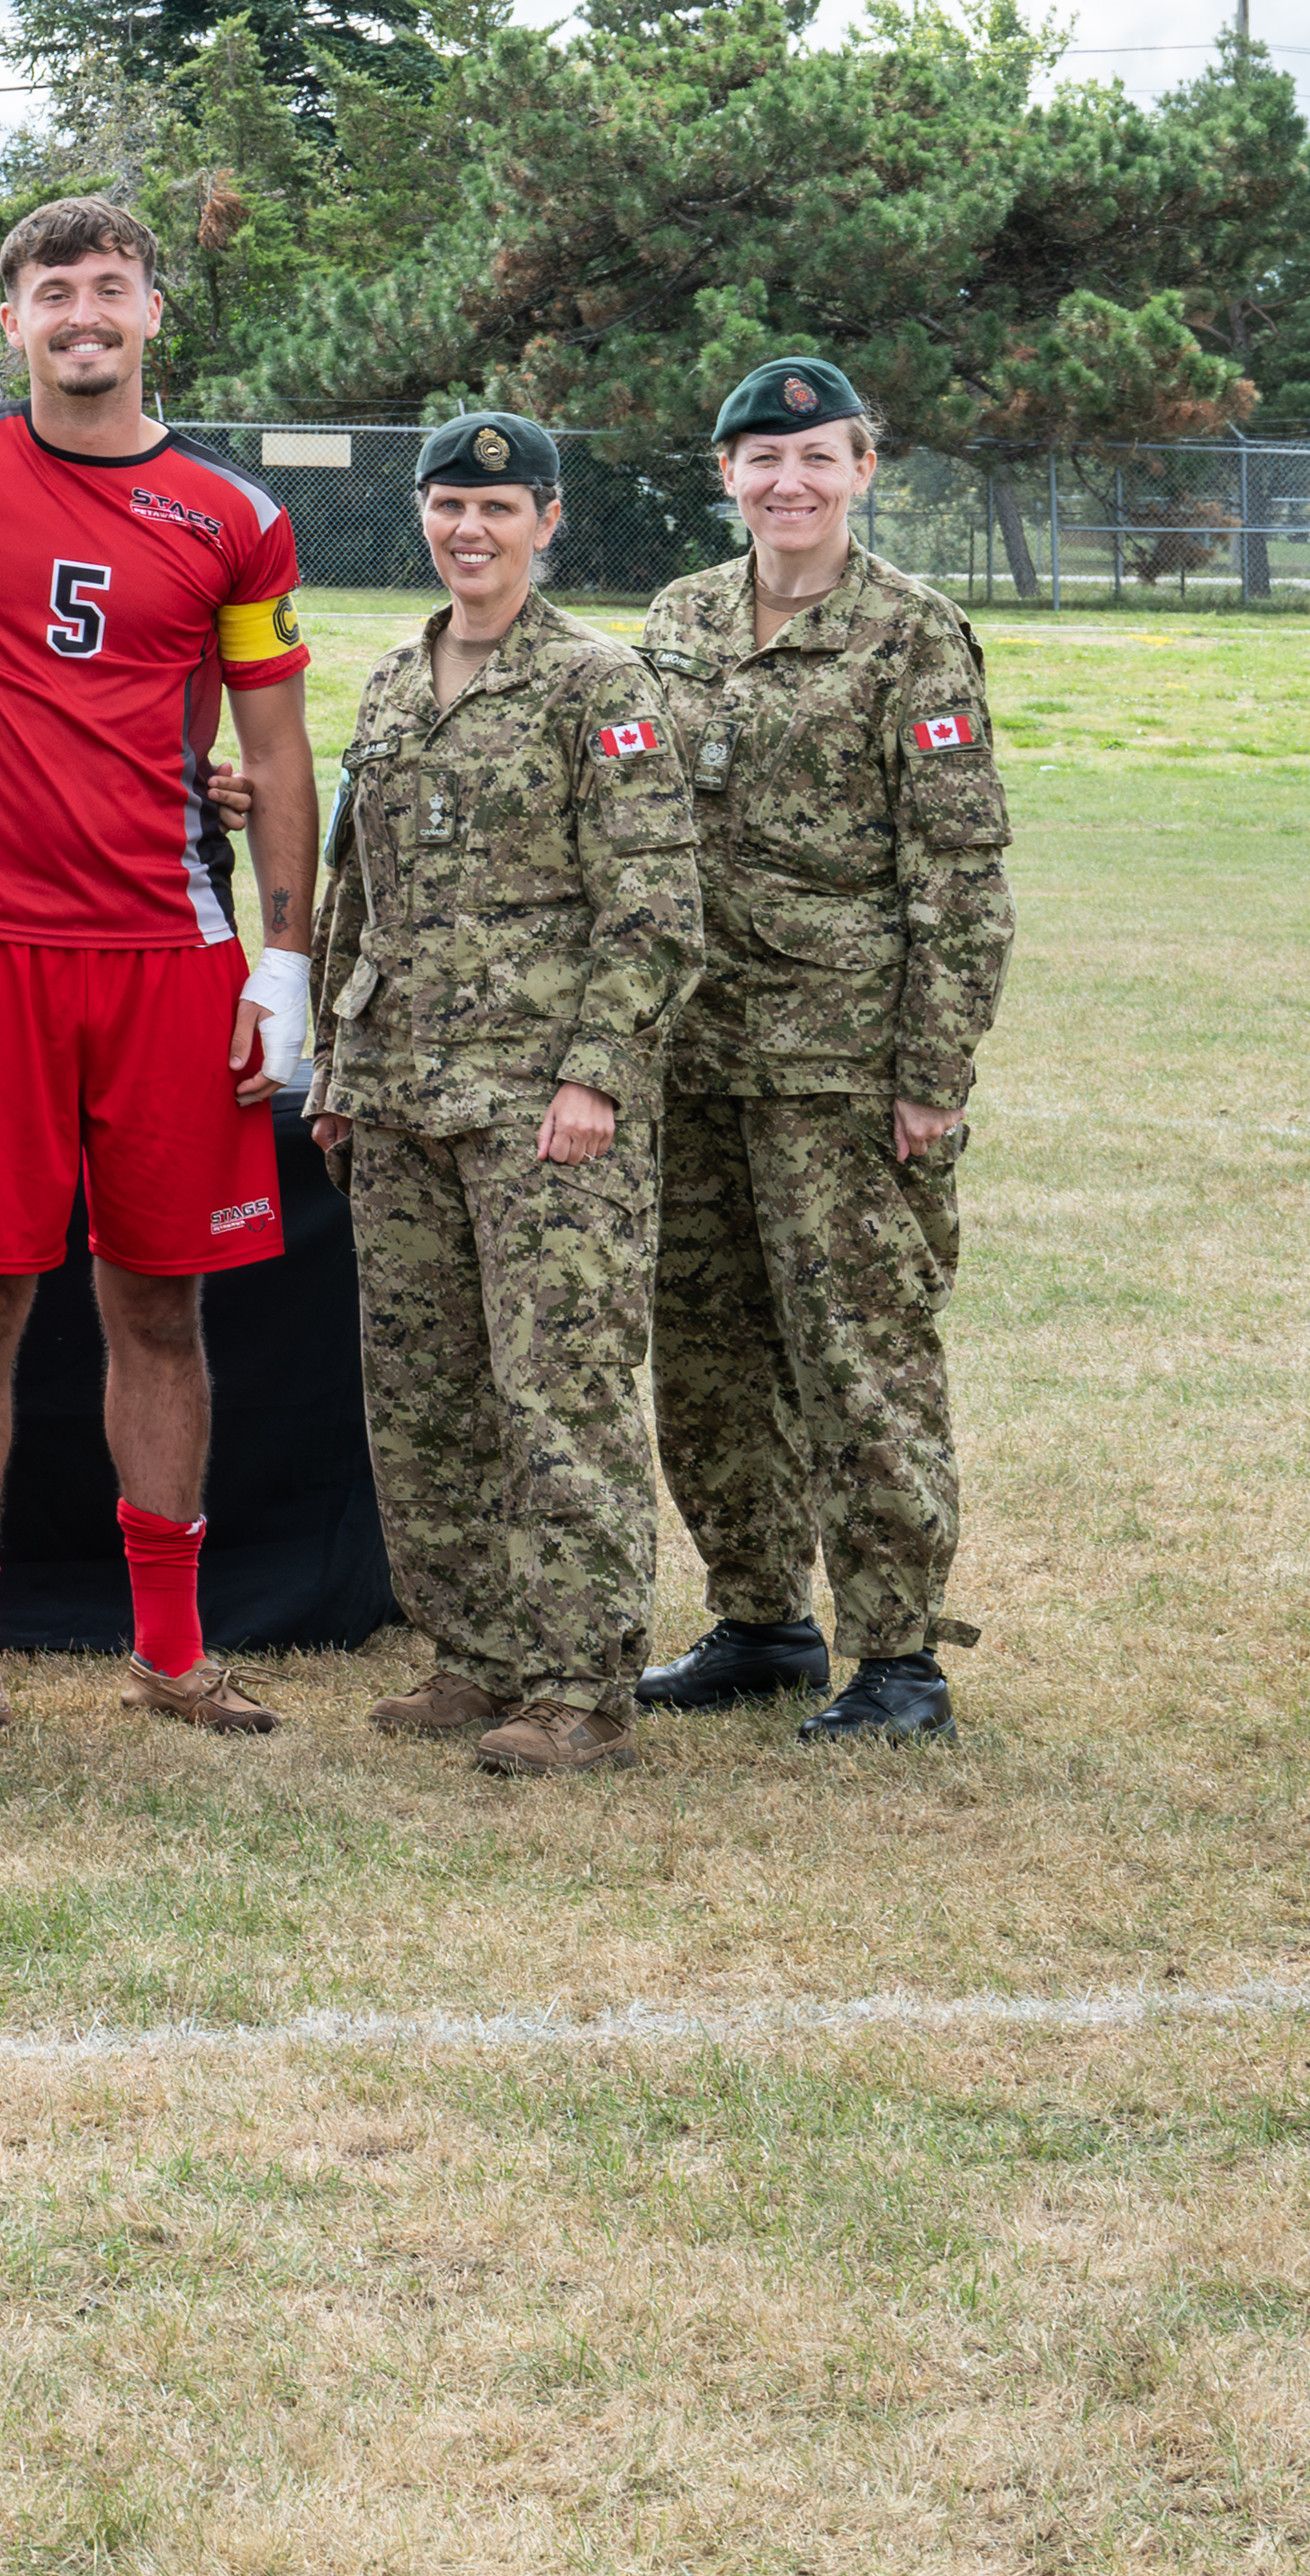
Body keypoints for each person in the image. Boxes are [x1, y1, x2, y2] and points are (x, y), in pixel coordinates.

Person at [0, 196, 319, 1735]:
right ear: (11, 321)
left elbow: (279, 739)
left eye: (109, 285)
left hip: (170, 950)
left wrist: (286, 962)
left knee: (157, 1307)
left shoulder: (233, 515)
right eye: (53, 289)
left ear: (152, 312)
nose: (82, 311)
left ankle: (169, 1651)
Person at [629, 355, 1014, 1743]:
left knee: (860, 1359)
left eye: (816, 460)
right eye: (758, 461)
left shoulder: (913, 634)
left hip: (840, 1070)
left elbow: (960, 876)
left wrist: (930, 1077)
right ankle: (761, 1621)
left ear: (863, 471)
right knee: (706, 1353)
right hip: (690, 1058)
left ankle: (899, 1660)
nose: (785, 483)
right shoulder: (674, 617)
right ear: (724, 475)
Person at [310, 416, 701, 1777]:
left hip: (545, 1108)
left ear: (546, 519)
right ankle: (472, 1652)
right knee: (421, 1392)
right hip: (402, 1095)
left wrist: (596, 1075)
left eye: (495, 506)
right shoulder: (389, 682)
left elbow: (653, 910)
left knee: (561, 1395)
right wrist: (336, 1067)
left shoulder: (599, 683)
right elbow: (354, 894)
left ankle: (580, 1682)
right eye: (444, 504)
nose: (466, 529)